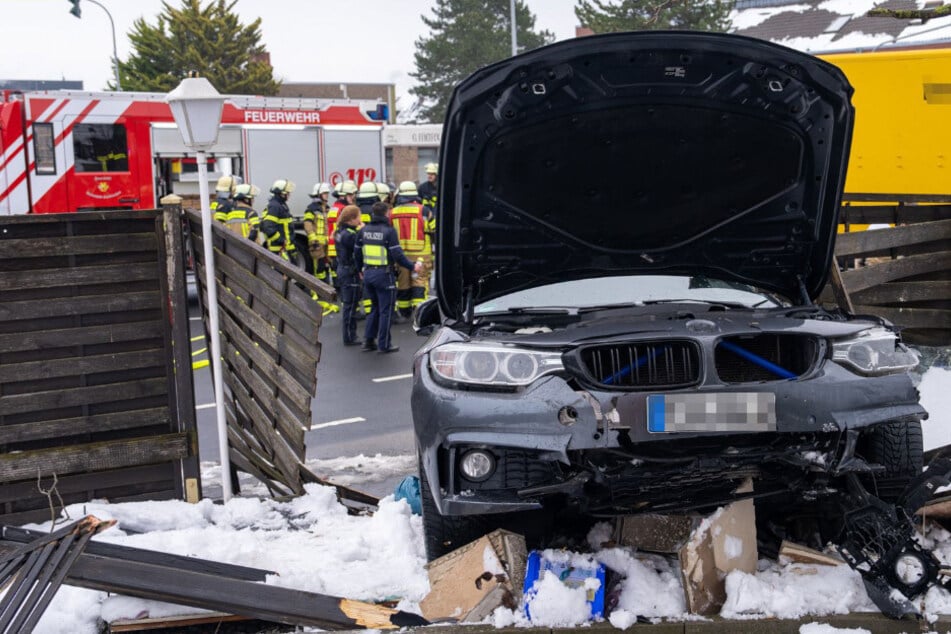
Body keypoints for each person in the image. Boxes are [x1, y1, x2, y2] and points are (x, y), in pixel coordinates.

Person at [355, 201, 422, 353]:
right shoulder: (389, 231)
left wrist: (360, 269)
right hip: (384, 275)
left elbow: (357, 253)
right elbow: (397, 254)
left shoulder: (363, 231)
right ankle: (384, 344)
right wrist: (413, 266)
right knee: (386, 311)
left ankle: (369, 341)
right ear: (386, 213)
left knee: (374, 308)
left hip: (368, 274)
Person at [390, 181, 430, 321]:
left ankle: (404, 311)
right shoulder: (423, 210)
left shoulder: (392, 212)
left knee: (403, 282)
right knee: (419, 281)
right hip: (421, 254)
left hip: (400, 255)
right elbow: (433, 227)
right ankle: (419, 312)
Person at [304, 182, 337, 313]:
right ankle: (319, 291)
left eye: (327, 193)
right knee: (319, 269)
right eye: (324, 193)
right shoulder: (311, 208)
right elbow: (307, 224)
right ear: (318, 194)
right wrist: (313, 239)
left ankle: (329, 290)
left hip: (327, 244)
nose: (326, 195)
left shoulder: (327, 208)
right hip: (318, 245)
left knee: (329, 267)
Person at [333, 205, 363, 346]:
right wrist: (362, 231)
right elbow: (359, 247)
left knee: (349, 304)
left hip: (343, 269)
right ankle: (350, 336)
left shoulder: (340, 231)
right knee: (351, 305)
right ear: (351, 219)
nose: (360, 219)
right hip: (350, 272)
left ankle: (350, 335)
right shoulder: (350, 235)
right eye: (358, 217)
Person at [354, 182, 381, 317]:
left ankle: (369, 311)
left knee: (364, 283)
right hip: (375, 252)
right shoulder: (374, 211)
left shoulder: (356, 210)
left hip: (361, 250)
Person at [260, 179, 298, 264]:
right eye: (287, 193)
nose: (289, 195)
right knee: (280, 275)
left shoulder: (281, 205)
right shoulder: (275, 206)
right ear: (281, 194)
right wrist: (281, 240)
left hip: (285, 249)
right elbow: (268, 227)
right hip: (279, 250)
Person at [327, 180, 357, 264]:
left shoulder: (334, 207)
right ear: (342, 196)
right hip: (340, 249)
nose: (353, 197)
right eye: (350, 195)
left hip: (334, 249)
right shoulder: (344, 210)